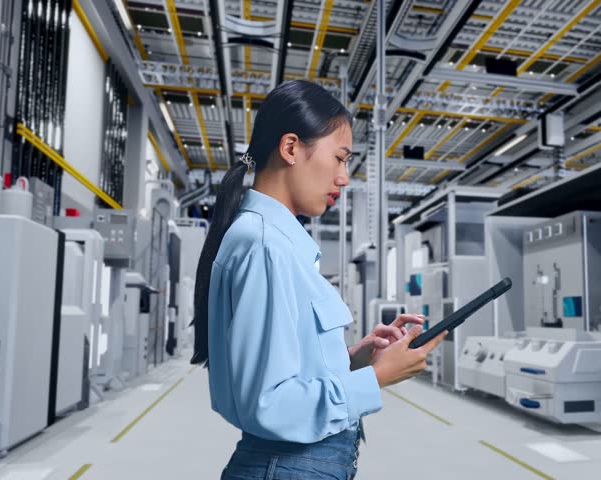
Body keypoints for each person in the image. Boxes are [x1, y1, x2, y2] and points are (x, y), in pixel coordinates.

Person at [191, 79, 447, 480]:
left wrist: (354, 359)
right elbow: (269, 404)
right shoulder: (265, 246)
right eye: (340, 158)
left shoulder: (279, 244)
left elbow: (285, 370)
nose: (344, 178)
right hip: (288, 465)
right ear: (291, 148)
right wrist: (377, 379)